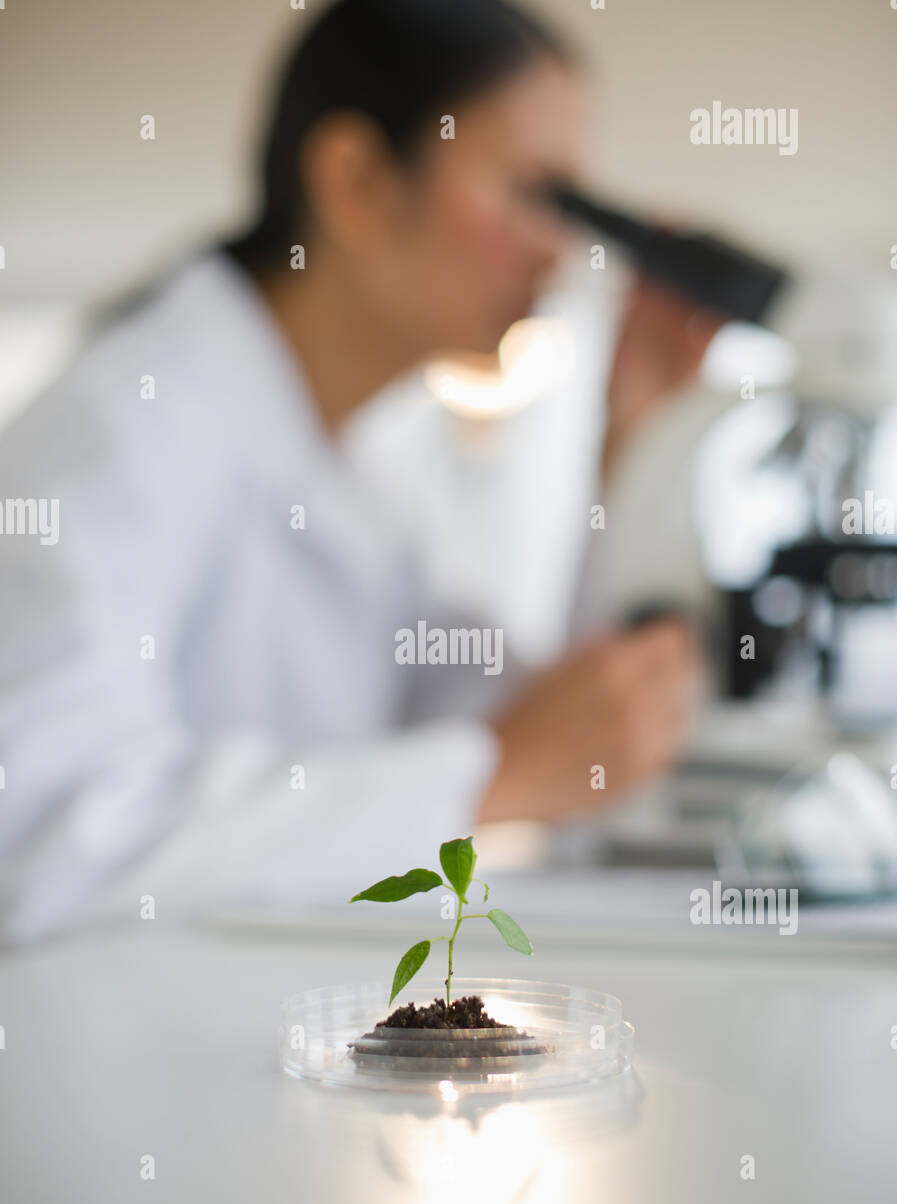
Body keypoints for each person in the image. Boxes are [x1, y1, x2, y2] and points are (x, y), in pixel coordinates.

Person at [0, 0, 703, 943]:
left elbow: (515, 712)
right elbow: (44, 835)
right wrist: (487, 774)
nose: (558, 249)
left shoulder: (358, 455)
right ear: (359, 181)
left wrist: (627, 436)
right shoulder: (128, 416)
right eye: (532, 194)